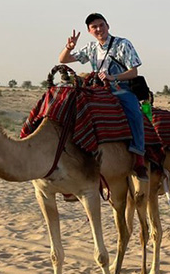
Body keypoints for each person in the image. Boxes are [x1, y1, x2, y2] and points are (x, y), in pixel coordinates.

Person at [59, 13, 148, 180]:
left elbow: (133, 72)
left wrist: (112, 78)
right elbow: (63, 59)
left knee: (135, 113)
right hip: (97, 89)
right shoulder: (91, 48)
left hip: (120, 87)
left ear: (108, 26)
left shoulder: (123, 44)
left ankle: (139, 159)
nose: (99, 29)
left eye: (101, 25)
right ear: (89, 31)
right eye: (94, 27)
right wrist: (69, 47)